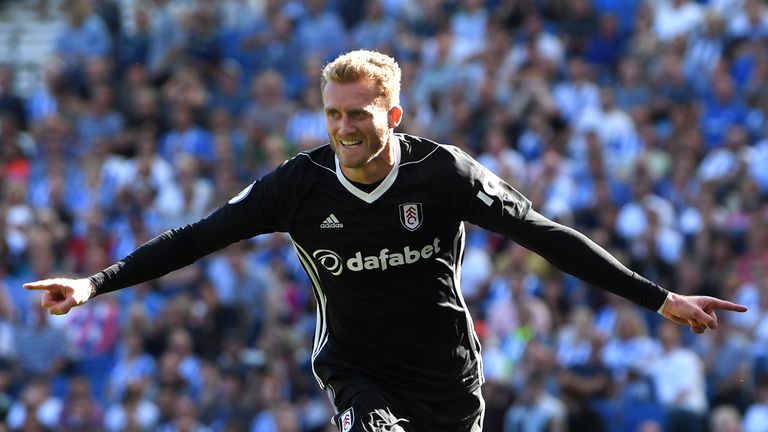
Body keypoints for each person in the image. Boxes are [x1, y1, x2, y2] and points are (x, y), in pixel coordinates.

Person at [24, 49, 747, 432]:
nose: (342, 129)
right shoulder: (298, 185)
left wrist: (659, 300)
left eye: (358, 115)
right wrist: (95, 283)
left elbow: (545, 235)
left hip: (448, 378)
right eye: (332, 114)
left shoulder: (445, 174)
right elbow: (198, 236)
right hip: (356, 371)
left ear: (391, 113)